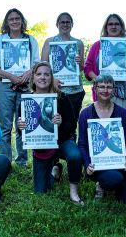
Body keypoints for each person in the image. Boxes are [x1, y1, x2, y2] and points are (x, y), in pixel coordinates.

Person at [17, 62, 83, 204]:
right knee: (41, 190)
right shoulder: (26, 101)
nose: (43, 77)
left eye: (47, 74)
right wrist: (20, 127)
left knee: (75, 155)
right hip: (42, 145)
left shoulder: (61, 97)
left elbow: (71, 124)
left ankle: (73, 191)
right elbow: (21, 132)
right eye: (39, 74)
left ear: (51, 77)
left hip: (62, 141)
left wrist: (60, 124)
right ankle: (55, 171)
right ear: (33, 78)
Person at [0, 8, 40, 166]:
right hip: (4, 86)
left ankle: (22, 160)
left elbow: (36, 62)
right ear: (6, 22)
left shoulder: (31, 40)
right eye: (11, 19)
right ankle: (5, 161)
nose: (15, 21)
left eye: (17, 18)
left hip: (25, 86)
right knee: (5, 126)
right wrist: (11, 76)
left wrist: (28, 73)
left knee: (22, 123)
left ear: (22, 21)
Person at [77, 74, 126, 205]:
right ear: (95, 88)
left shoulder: (123, 113)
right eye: (102, 87)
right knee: (113, 178)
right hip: (96, 165)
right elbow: (81, 144)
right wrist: (87, 165)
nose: (105, 90)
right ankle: (101, 186)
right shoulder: (85, 113)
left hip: (119, 162)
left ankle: (115, 183)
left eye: (109, 87)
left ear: (114, 89)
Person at [84, 14, 126, 110]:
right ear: (106, 27)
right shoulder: (97, 46)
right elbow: (87, 67)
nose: (113, 26)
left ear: (121, 27)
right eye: (110, 24)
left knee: (121, 122)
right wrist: (97, 79)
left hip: (122, 94)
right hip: (102, 92)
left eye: (117, 24)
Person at [41, 12, 86, 127]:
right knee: (56, 121)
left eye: (68, 22)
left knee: (72, 122)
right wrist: (52, 80)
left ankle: (72, 142)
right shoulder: (49, 42)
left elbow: (81, 68)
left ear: (72, 24)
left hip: (75, 90)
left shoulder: (78, 43)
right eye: (62, 22)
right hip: (56, 89)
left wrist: (79, 62)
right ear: (57, 24)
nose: (65, 24)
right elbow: (43, 66)